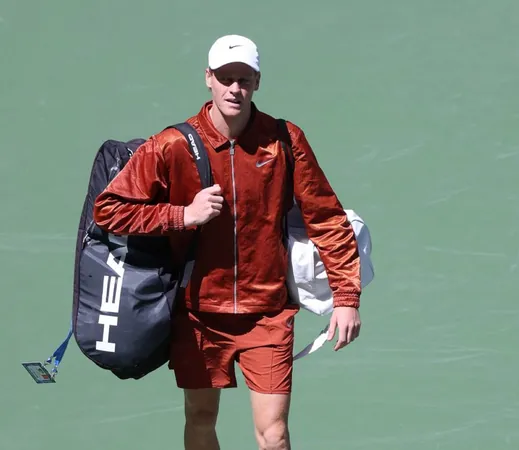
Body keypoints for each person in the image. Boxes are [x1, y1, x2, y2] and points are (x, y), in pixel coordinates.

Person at [93, 34, 362, 450]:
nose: (234, 88)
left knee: (274, 435)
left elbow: (326, 218)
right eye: (225, 78)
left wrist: (346, 298)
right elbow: (109, 209)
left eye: (244, 79)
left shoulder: (285, 140)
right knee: (201, 419)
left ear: (257, 82)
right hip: (198, 314)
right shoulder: (172, 145)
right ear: (208, 79)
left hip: (268, 314)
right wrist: (182, 215)